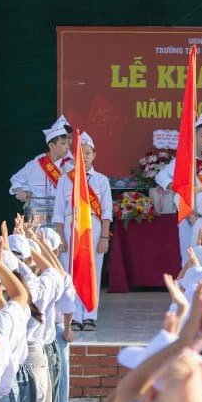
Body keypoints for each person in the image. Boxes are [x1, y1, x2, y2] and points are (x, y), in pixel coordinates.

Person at [52, 132, 113, 331]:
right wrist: (60, 235)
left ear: (94, 155)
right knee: (71, 271)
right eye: (81, 153)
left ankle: (89, 315)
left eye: (88, 153)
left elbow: (106, 212)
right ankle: (74, 315)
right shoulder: (65, 180)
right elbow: (59, 212)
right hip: (71, 228)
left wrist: (104, 236)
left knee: (92, 270)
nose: (85, 156)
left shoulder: (102, 181)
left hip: (93, 228)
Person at [154, 114, 202, 264]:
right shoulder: (185, 159)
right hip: (189, 217)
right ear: (195, 137)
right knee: (190, 258)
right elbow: (161, 176)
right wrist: (176, 187)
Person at [8, 116, 74, 224]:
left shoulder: (71, 166)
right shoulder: (36, 164)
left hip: (62, 218)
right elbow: (16, 179)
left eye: (68, 143)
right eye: (63, 143)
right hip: (37, 217)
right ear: (52, 145)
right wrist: (21, 191)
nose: (67, 147)